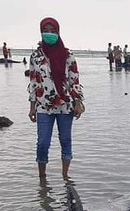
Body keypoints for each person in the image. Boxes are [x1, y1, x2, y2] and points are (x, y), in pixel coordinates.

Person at [28, 17, 85, 180]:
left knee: (65, 140)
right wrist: (32, 107)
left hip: (65, 105)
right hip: (43, 105)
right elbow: (33, 82)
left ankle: (66, 177)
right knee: (43, 143)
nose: (49, 34)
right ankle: (42, 180)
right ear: (41, 32)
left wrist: (78, 103)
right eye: (46, 30)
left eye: (53, 31)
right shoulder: (36, 56)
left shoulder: (68, 55)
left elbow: (74, 81)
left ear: (59, 33)